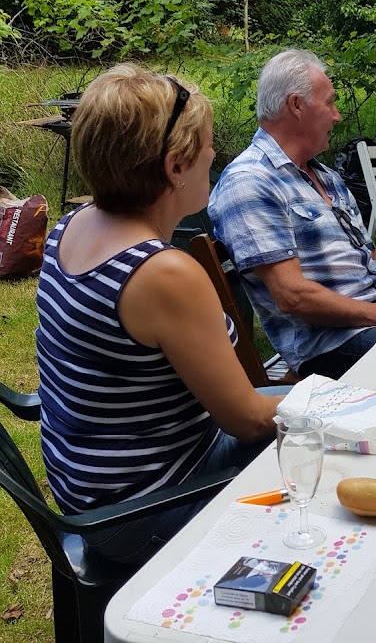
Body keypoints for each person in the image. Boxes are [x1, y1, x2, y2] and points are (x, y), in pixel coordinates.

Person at [35, 64, 286, 565]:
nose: (215, 155)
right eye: (210, 146)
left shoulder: (72, 224)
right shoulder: (163, 273)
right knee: (327, 451)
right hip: (142, 510)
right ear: (175, 167)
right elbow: (247, 420)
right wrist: (334, 403)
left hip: (88, 494)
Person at [209, 49, 376, 380]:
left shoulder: (325, 176)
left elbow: (371, 252)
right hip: (330, 344)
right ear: (296, 105)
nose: (337, 116)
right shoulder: (248, 182)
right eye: (330, 103)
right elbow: (293, 296)